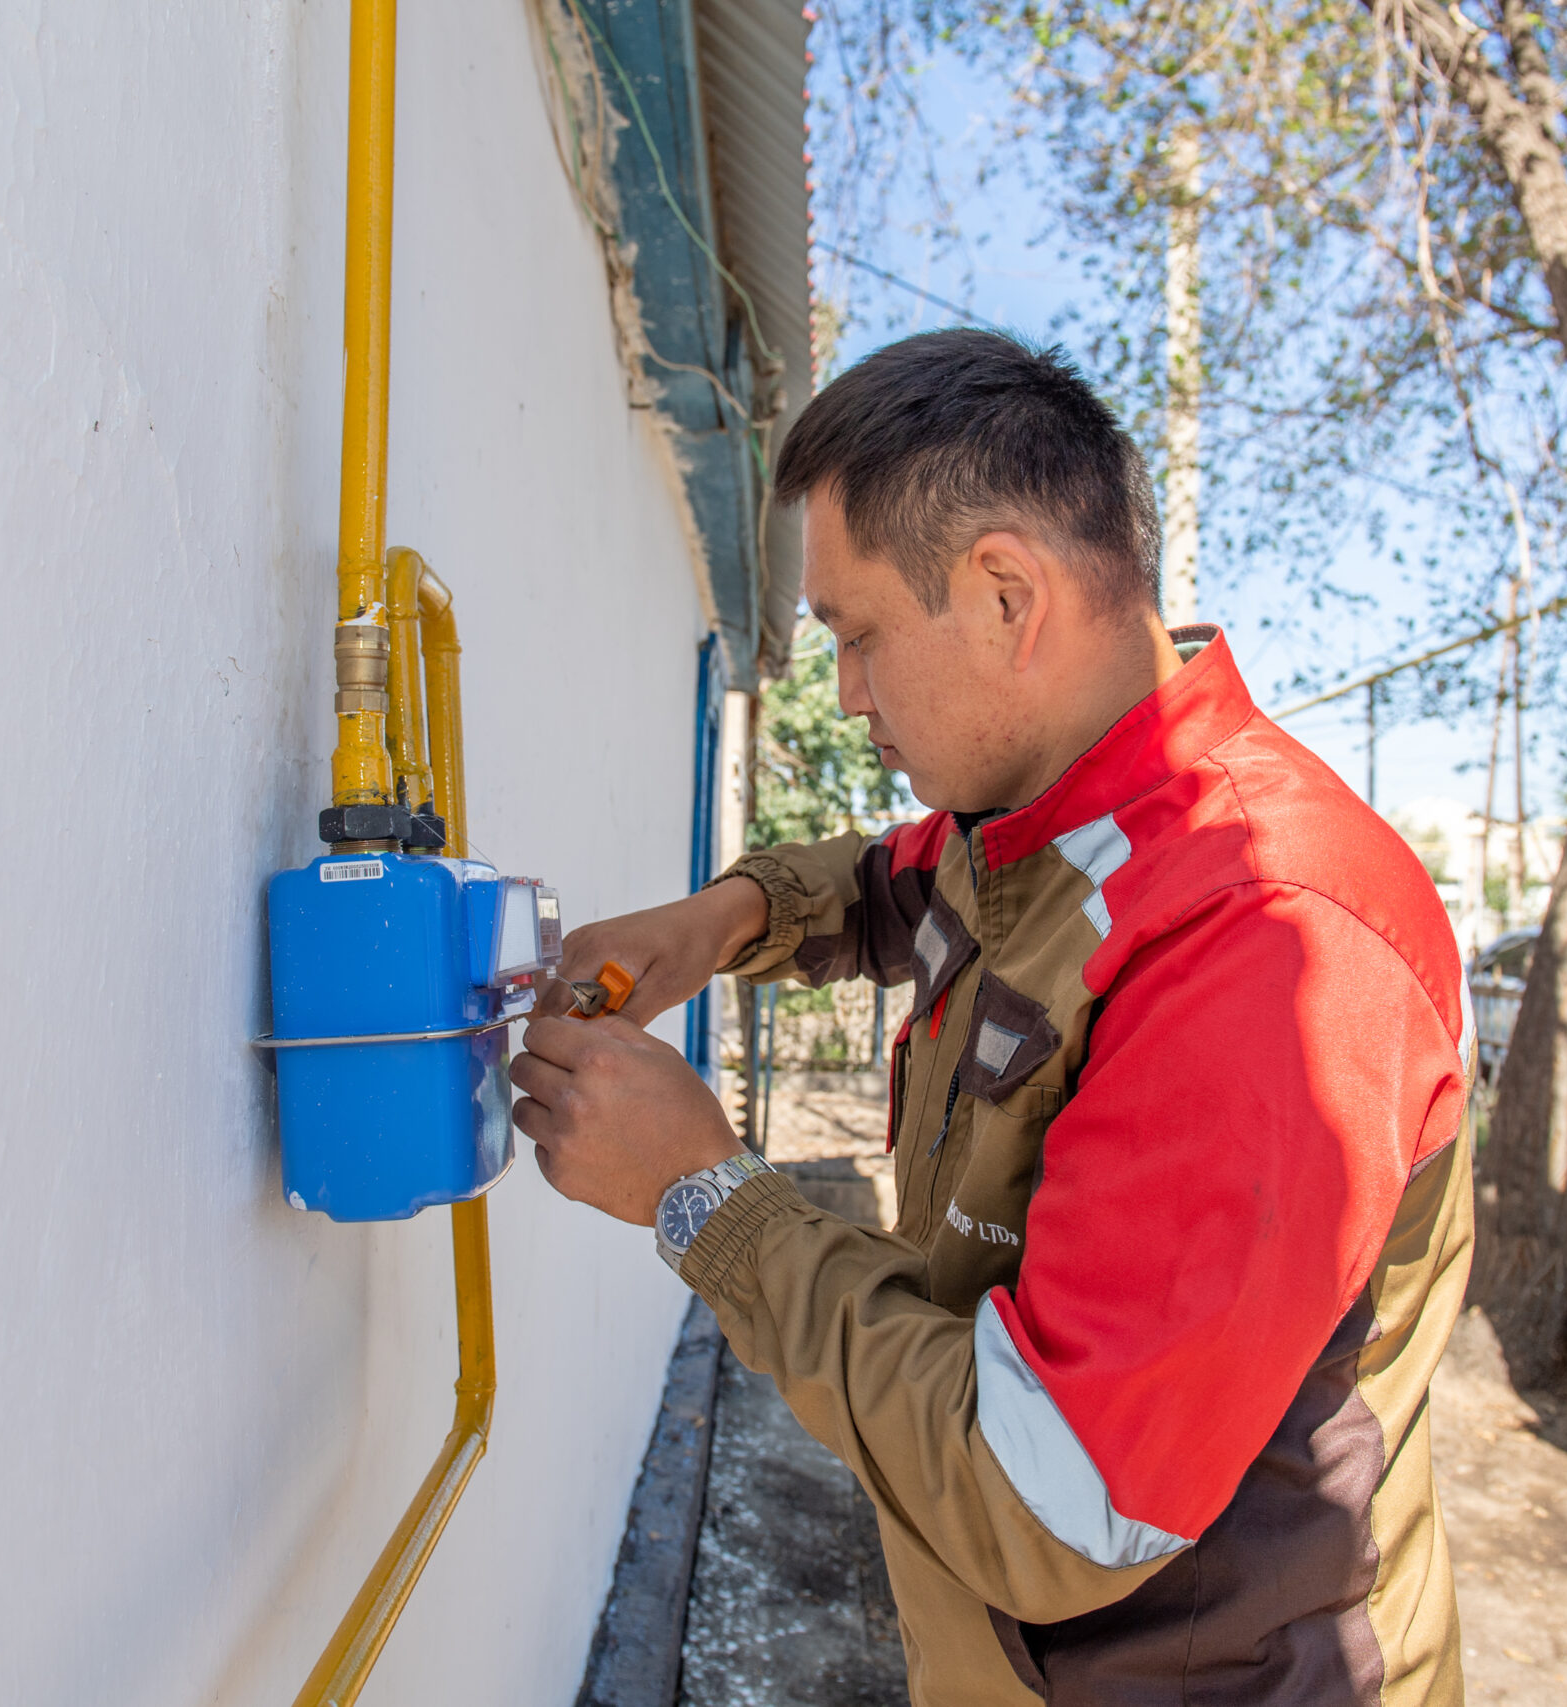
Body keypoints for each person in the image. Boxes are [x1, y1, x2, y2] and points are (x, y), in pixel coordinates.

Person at [513, 329, 1473, 1705]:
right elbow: (899, 884)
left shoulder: (1271, 942)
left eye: (856, 635)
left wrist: (700, 1192)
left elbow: (1054, 1498)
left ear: (1007, 594)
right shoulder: (1044, 818)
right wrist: (718, 921)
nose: (846, 692)